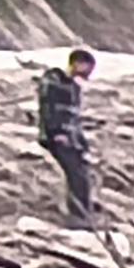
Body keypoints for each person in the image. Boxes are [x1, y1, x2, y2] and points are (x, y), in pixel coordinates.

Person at [36, 48, 99, 220]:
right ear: (77, 64)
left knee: (84, 175)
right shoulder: (53, 80)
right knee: (75, 175)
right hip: (56, 138)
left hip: (71, 139)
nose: (89, 73)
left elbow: (74, 119)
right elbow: (49, 109)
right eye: (88, 68)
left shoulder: (74, 87)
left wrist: (83, 144)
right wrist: (56, 132)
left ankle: (85, 214)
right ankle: (77, 216)